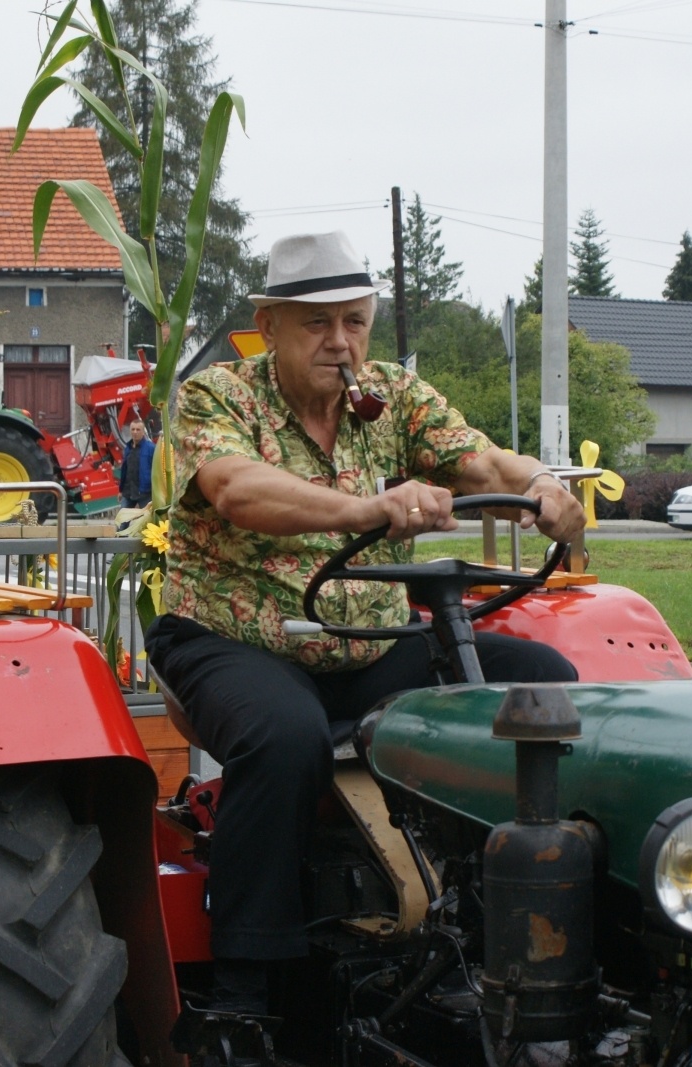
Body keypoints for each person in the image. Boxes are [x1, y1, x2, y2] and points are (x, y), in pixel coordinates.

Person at [144, 231, 587, 1016]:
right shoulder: (218, 396)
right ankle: (246, 987)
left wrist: (543, 484)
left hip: (372, 643)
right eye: (317, 323)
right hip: (233, 639)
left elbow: (481, 461)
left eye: (354, 320)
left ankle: (487, 922)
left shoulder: (390, 398)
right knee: (287, 734)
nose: (340, 342)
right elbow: (237, 488)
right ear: (269, 324)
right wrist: (366, 509)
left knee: (541, 687)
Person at [119, 417, 155, 508]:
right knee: (122, 521)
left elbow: (157, 470)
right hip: (128, 493)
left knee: (148, 521)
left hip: (145, 493)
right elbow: (124, 470)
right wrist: (120, 490)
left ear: (143, 432)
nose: (135, 432)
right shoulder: (127, 448)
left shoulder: (151, 448)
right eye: (133, 429)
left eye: (138, 429)